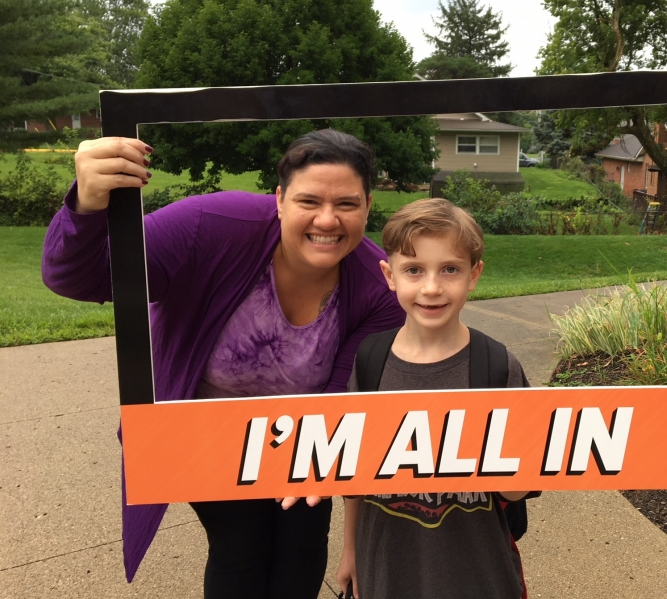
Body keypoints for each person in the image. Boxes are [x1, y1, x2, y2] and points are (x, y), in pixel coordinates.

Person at [41, 129, 406, 598]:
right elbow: (81, 276)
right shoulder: (211, 225)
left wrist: (322, 461)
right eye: (308, 201)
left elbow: (343, 390)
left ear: (369, 206)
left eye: (348, 205)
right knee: (241, 547)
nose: (327, 220)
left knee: (302, 546)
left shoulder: (378, 288)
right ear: (278, 199)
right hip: (204, 431)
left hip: (302, 438)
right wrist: (88, 205)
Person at [337, 198, 532, 599]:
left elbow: (518, 489)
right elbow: (352, 478)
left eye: (450, 269)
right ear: (389, 276)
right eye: (413, 270)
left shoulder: (496, 366)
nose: (431, 287)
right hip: (387, 566)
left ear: (474, 275)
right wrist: (349, 550)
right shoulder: (371, 361)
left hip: (477, 571)